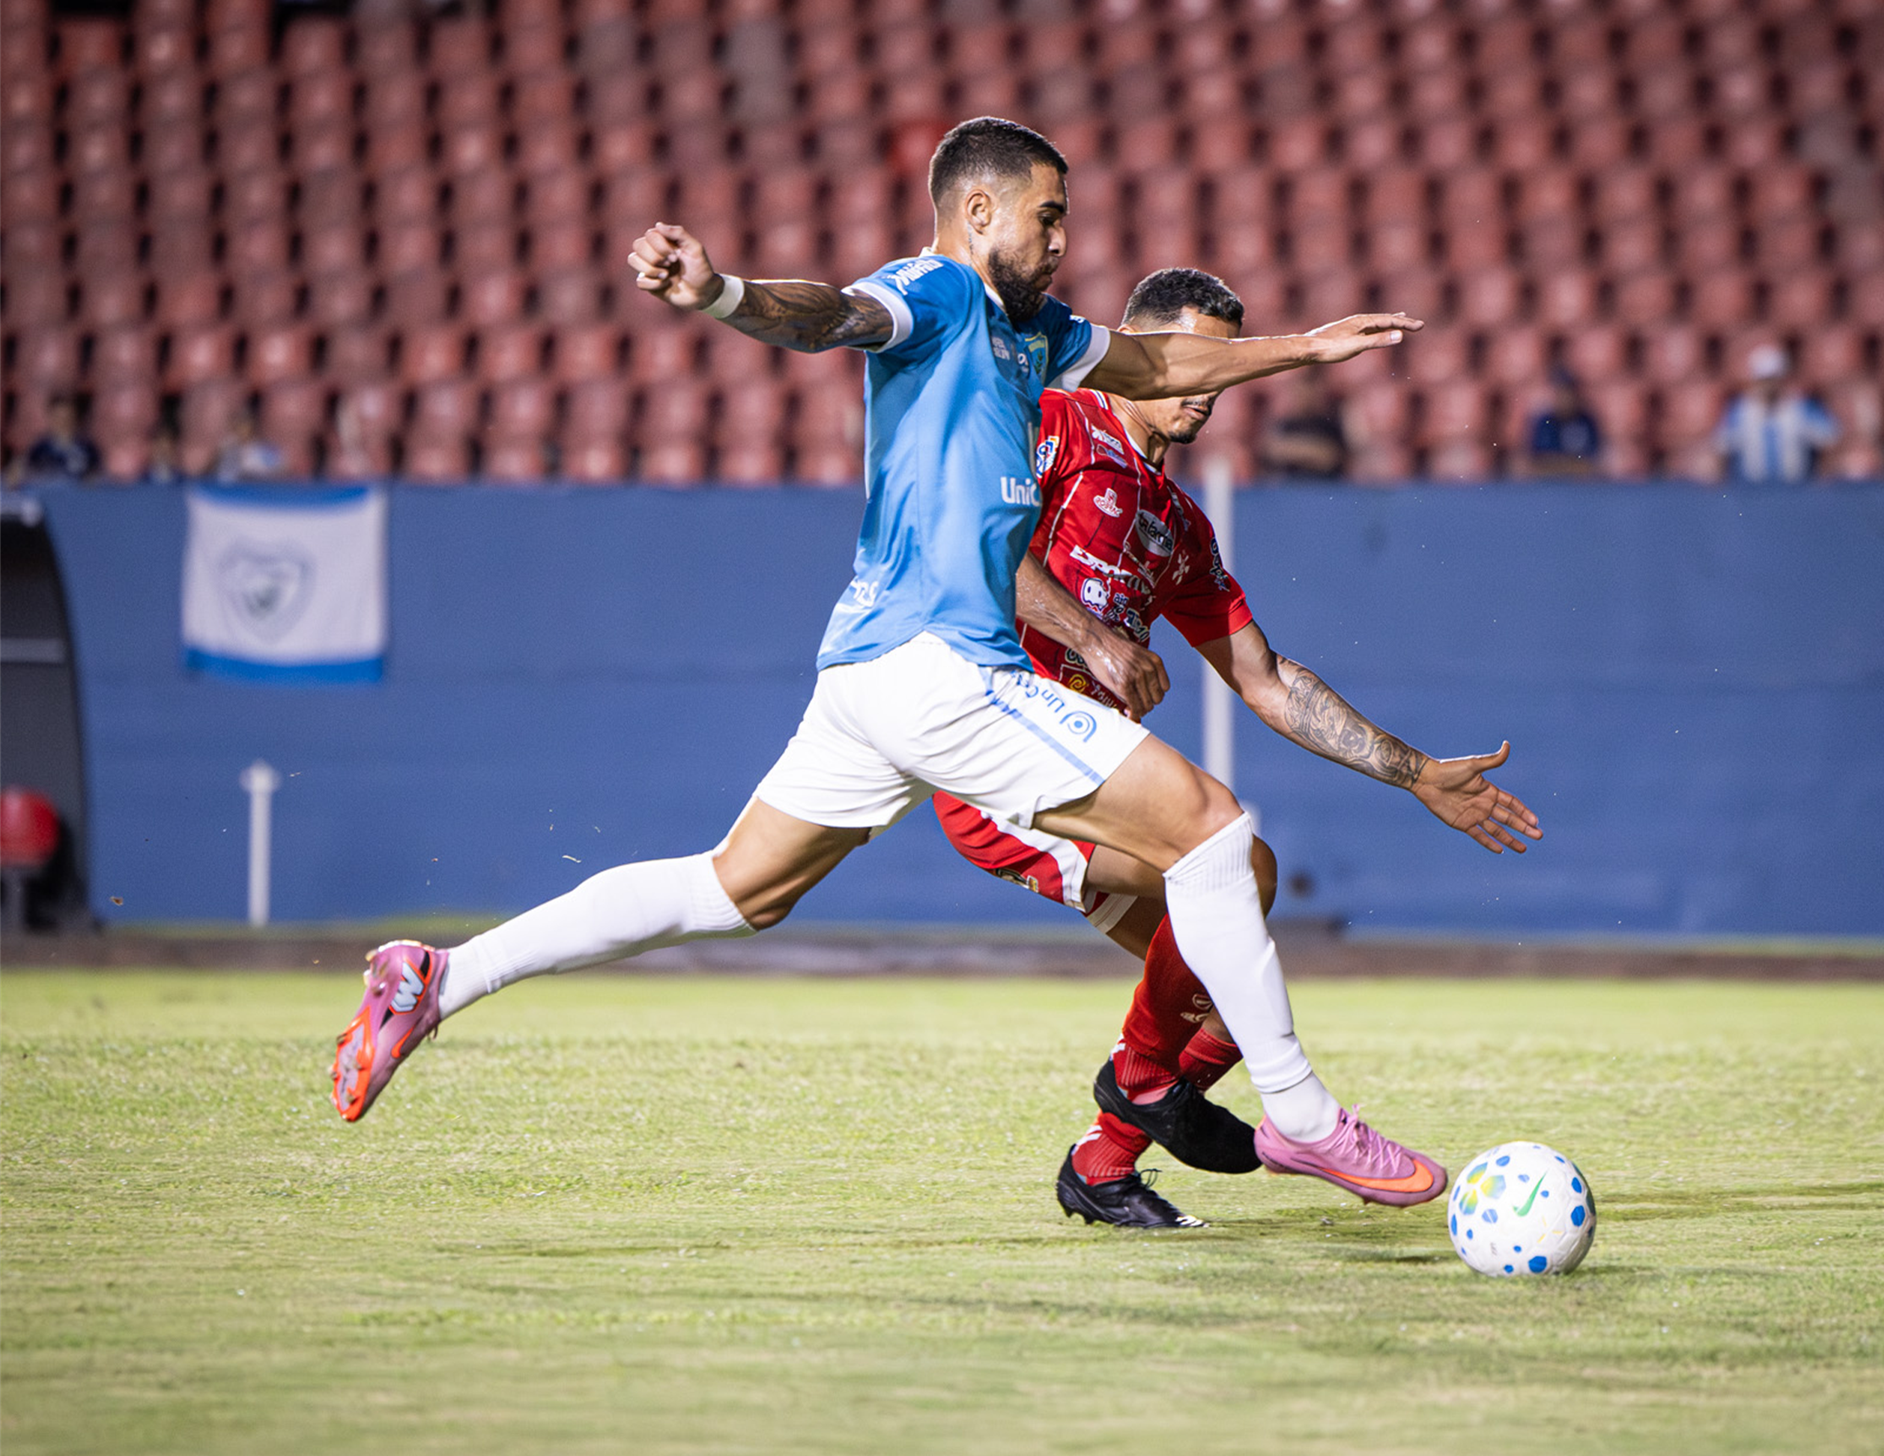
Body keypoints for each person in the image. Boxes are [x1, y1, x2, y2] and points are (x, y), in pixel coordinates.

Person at [330, 118, 1483, 1219]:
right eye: (1047, 217)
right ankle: (1298, 1113)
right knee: (1218, 831)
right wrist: (722, 294)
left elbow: (1148, 355)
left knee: (732, 889)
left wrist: (1302, 347)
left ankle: (440, 974)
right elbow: (828, 314)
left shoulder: (1034, 336)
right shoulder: (934, 292)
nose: (1061, 241)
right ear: (976, 209)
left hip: (867, 674)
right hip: (945, 667)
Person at [932, 267, 1543, 1227]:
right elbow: (969, 546)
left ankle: (1102, 1164)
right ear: (1140, 346)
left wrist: (1419, 774)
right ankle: (1144, 1094)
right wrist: (1095, 640)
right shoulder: (1052, 425)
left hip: (1086, 783)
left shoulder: (1177, 525)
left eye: (1225, 364)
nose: (1211, 384)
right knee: (1237, 866)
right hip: (997, 764)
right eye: (1195, 359)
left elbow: (1266, 679)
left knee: (1226, 984)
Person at [1713, 345, 1839, 482]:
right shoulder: (1740, 411)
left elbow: (1829, 441)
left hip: (1795, 489)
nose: (1768, 386)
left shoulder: (1801, 408)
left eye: (1773, 380)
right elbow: (1721, 448)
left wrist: (1822, 478)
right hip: (1751, 491)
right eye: (1764, 380)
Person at [1256, 368, 1347, 477]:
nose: (1301, 394)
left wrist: (1290, 450)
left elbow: (1330, 457)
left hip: (1325, 489)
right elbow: (1269, 451)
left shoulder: (1331, 421)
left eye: (1308, 387)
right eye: (1296, 388)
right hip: (1287, 490)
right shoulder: (1286, 424)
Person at [1521, 366, 1601, 477]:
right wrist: (1570, 465)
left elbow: (1592, 463)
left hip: (1579, 488)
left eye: (1569, 393)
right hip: (1546, 486)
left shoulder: (1587, 421)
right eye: (1561, 393)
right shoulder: (1545, 422)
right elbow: (1536, 463)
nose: (1565, 398)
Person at [8, 393, 100, 484]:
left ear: (74, 417)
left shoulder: (87, 449)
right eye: (58, 417)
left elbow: (96, 478)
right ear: (50, 417)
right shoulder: (39, 449)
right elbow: (21, 473)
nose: (62, 422)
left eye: (66, 417)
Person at [210, 404, 285, 482]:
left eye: (245, 423)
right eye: (238, 423)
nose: (242, 428)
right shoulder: (224, 446)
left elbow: (278, 473)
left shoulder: (266, 451)